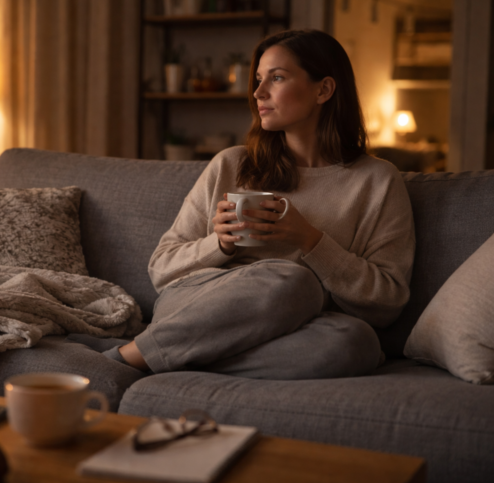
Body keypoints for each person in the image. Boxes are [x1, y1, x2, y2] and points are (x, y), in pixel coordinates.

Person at [74, 29, 415, 380]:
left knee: (356, 342)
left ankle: (161, 354)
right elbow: (161, 270)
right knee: (293, 281)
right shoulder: (232, 164)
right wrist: (219, 244)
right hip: (197, 307)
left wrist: (311, 241)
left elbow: (387, 302)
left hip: (294, 328)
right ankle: (126, 357)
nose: (258, 93)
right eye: (258, 80)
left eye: (277, 78)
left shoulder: (377, 180)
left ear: (323, 90)